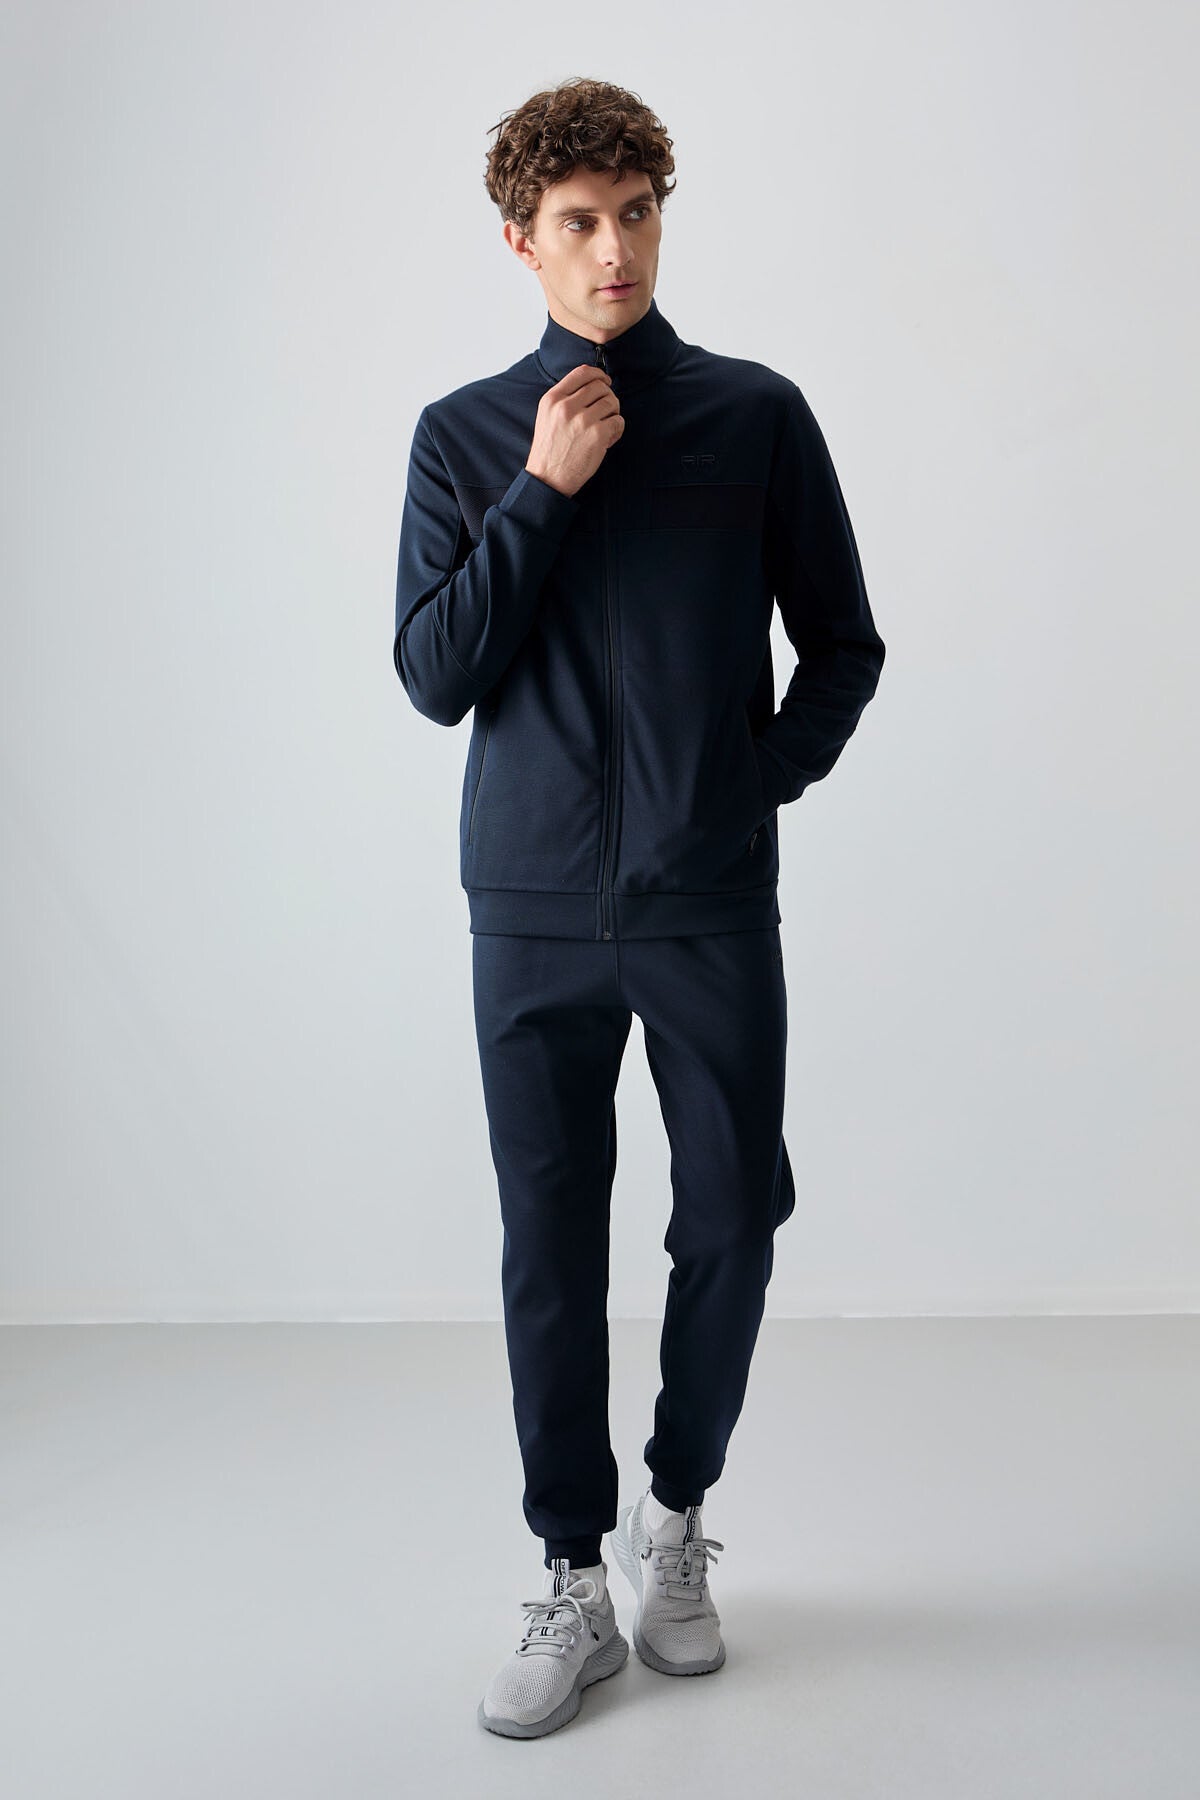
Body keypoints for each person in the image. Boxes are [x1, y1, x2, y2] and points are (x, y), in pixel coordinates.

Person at [393, 76, 886, 1739]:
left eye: (638, 214)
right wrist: (542, 490)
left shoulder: (755, 416)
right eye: (580, 222)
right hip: (529, 905)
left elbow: (844, 646)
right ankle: (569, 1576)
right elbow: (434, 673)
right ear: (520, 241)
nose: (614, 249)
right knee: (550, 1245)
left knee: (733, 1214)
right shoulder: (466, 435)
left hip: (705, 901)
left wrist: (746, 786)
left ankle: (675, 1521)